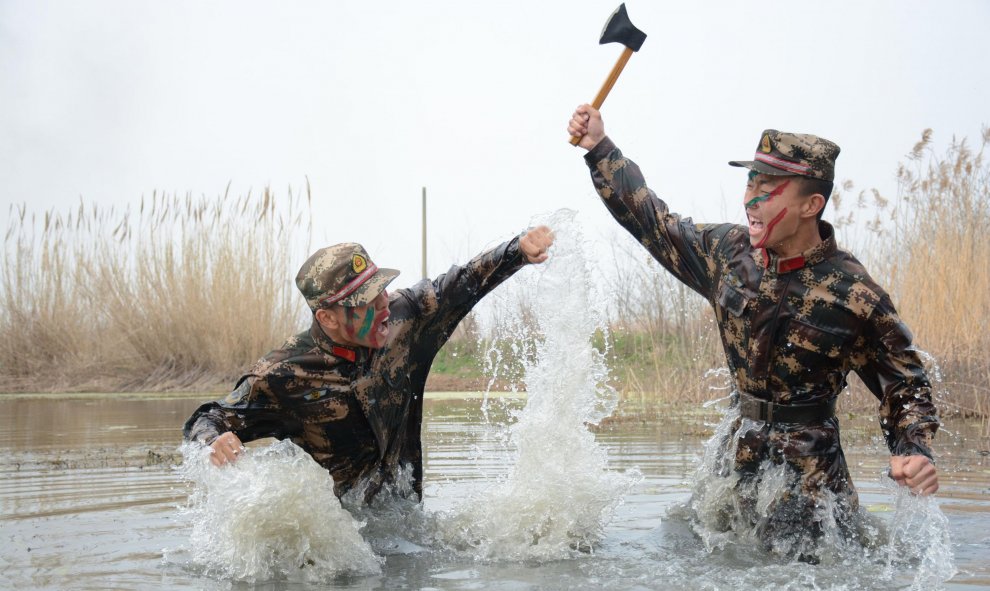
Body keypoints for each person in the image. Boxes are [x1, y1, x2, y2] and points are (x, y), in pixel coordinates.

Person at [567, 105, 939, 557]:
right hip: (734, 459)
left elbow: (905, 385)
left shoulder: (854, 294)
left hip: (809, 483)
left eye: (768, 189)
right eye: (750, 183)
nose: (751, 200)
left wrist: (913, 449)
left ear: (810, 204)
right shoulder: (729, 254)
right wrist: (599, 149)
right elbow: (654, 223)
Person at [183, 226, 554, 503]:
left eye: (380, 290)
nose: (382, 306)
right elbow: (209, 416)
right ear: (327, 318)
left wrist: (517, 250)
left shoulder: (405, 318)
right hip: (341, 551)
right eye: (366, 300)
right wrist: (214, 440)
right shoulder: (284, 374)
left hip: (406, 522)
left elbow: (460, 283)